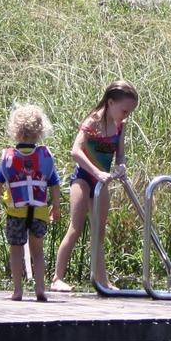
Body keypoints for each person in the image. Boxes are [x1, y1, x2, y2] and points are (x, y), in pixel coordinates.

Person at [52, 81, 137, 293]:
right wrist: (96, 172)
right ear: (110, 102)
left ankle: (102, 280)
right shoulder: (93, 121)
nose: (126, 115)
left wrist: (121, 166)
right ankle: (57, 278)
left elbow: (120, 153)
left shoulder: (120, 125)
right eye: (124, 110)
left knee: (99, 231)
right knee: (76, 227)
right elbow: (75, 151)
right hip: (83, 179)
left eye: (130, 111)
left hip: (101, 184)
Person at [0, 103, 61, 302]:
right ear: (40, 132)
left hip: (16, 212)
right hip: (39, 212)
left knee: (16, 250)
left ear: (15, 131)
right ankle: (40, 289)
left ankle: (17, 290)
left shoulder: (8, 158)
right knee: (38, 251)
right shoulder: (45, 156)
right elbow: (54, 184)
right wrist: (56, 207)